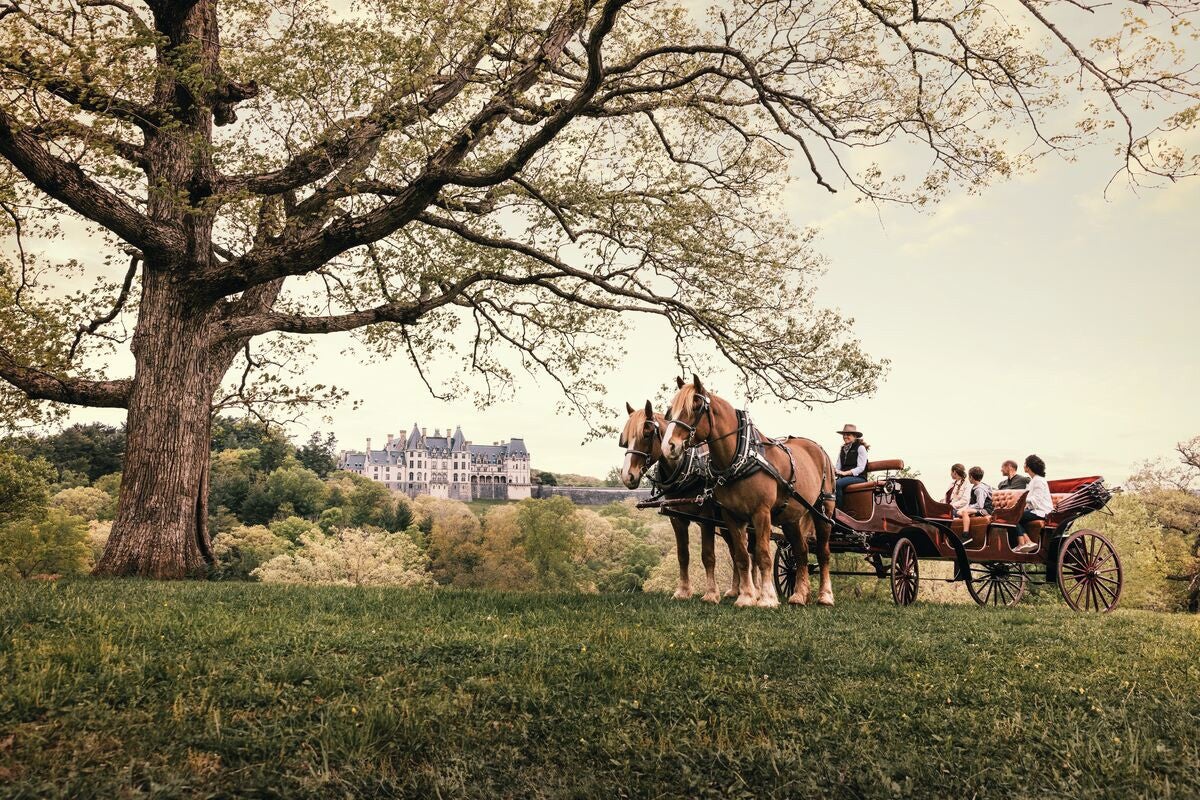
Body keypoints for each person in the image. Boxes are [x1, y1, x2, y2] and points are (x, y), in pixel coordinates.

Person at [1014, 454, 1053, 553]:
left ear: (1028, 467)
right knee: (1014, 515)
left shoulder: (1039, 481)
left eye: (1024, 464)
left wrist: (1022, 500)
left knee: (1014, 516)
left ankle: (1024, 543)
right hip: (1035, 510)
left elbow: (1036, 500)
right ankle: (1027, 541)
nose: (1023, 466)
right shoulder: (1033, 481)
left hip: (1042, 511)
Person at [833, 424, 869, 507]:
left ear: (855, 436)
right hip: (845, 477)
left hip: (859, 477)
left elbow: (860, 468)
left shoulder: (860, 448)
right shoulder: (842, 449)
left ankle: (839, 512)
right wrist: (834, 471)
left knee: (837, 484)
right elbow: (838, 467)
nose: (845, 436)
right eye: (844, 435)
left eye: (848, 434)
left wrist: (845, 473)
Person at [957, 466, 992, 539]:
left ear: (971, 477)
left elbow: (980, 505)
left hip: (986, 509)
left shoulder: (979, 489)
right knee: (959, 512)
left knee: (964, 512)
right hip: (980, 508)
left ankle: (965, 535)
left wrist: (969, 508)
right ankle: (971, 517)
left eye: (969, 477)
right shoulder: (975, 486)